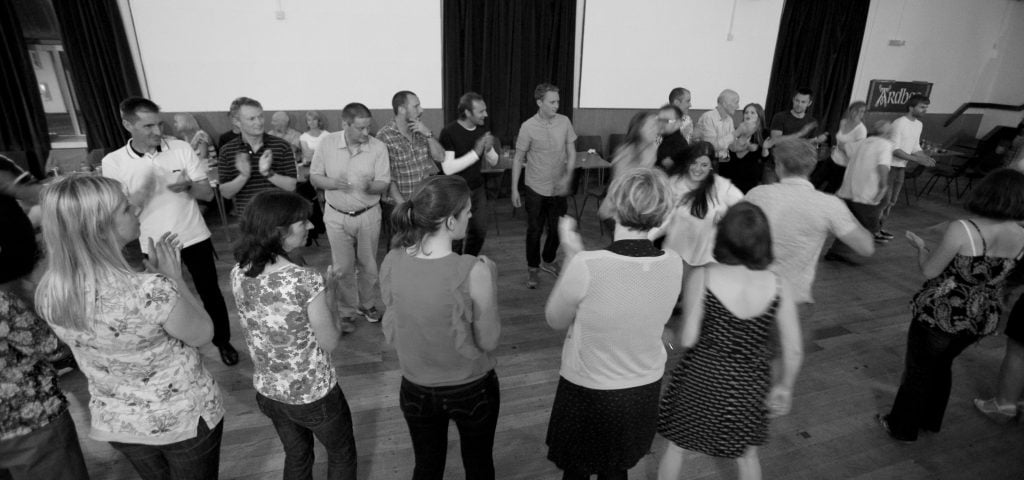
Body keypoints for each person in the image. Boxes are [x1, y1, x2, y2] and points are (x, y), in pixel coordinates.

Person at [35, 175, 225, 479]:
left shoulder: (51, 291)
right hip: (183, 419)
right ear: (100, 228)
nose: (135, 210)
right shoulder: (148, 290)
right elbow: (204, 333)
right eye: (125, 208)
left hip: (119, 421)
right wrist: (175, 278)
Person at [545, 168, 683, 480]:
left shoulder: (588, 264)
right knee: (616, 468)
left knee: (577, 471)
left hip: (590, 389)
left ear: (615, 205)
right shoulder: (674, 263)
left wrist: (571, 255)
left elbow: (555, 319)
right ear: (661, 213)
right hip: (642, 390)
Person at [657, 202, 802, 480]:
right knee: (747, 457)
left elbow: (688, 338)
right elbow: (793, 350)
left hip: (702, 377)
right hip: (749, 382)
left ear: (723, 237)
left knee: (676, 447)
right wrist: (785, 386)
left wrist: (668, 337)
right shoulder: (779, 284)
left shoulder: (704, 276)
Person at [879, 169, 1024, 441]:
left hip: (941, 313)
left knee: (918, 371)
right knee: (943, 365)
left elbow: (930, 271)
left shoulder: (964, 228)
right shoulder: (1021, 235)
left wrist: (921, 249)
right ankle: (930, 420)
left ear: (987, 192)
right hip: (981, 317)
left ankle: (901, 427)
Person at [380, 175, 501, 479]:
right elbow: (488, 340)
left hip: (415, 388)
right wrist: (492, 282)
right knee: (479, 465)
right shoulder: (473, 270)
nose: (470, 216)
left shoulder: (392, 260)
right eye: (467, 211)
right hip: (471, 388)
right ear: (450, 221)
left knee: (427, 466)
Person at [103, 96, 240, 366]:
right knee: (163, 298)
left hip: (193, 235)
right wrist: (143, 192)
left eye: (159, 124)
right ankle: (178, 348)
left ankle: (223, 341)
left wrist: (188, 186)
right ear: (128, 125)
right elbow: (118, 212)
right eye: (148, 126)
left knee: (210, 292)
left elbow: (207, 195)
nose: (157, 131)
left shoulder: (180, 148)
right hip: (153, 245)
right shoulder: (114, 162)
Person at [231, 190, 357, 479]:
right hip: (313, 395)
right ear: (279, 232)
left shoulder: (239, 271)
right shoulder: (304, 280)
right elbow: (330, 341)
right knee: (341, 453)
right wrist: (331, 293)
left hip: (269, 392)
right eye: (303, 222)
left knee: (297, 455)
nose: (311, 226)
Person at [0, 163, 89, 480]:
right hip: (29, 426)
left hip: (21, 273)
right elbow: (49, 345)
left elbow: (39, 194)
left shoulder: (2, 164)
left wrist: (15, 189)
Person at [745, 139, 874, 321]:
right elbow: (866, 247)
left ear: (779, 165)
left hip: (753, 295)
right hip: (794, 300)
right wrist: (847, 210)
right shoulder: (828, 205)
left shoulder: (756, 194)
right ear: (812, 166)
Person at [309, 102, 391, 327]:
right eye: (360, 128)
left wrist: (370, 187)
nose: (366, 133)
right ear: (345, 124)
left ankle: (367, 304)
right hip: (336, 215)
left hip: (368, 214)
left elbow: (384, 182)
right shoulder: (327, 143)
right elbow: (314, 176)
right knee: (342, 267)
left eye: (368, 127)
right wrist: (333, 183)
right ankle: (346, 311)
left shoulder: (378, 147)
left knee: (368, 265)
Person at [511, 83, 578, 289]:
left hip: (558, 187)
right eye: (552, 102)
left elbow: (572, 151)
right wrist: (514, 189)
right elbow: (518, 158)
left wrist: (568, 177)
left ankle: (548, 259)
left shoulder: (564, 122)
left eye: (558, 101)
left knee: (557, 230)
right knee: (534, 230)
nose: (556, 105)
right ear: (539, 102)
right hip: (535, 187)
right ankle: (533, 268)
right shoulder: (527, 127)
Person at [653, 141, 743, 269]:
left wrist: (726, 216)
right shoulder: (673, 184)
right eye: (694, 162)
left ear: (711, 166)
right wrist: (645, 239)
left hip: (706, 263)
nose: (697, 168)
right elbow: (662, 221)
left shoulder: (720, 186)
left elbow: (744, 209)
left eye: (704, 165)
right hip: (675, 258)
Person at [438, 92, 499, 256]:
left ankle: (468, 261)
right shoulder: (449, 132)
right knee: (455, 236)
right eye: (481, 111)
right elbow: (448, 169)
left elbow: (494, 161)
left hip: (477, 189)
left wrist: (489, 150)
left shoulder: (482, 129)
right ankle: (455, 265)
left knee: (480, 231)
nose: (486, 115)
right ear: (467, 112)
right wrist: (476, 152)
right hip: (456, 192)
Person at [218, 96, 298, 215]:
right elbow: (226, 193)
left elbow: (291, 186)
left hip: (281, 217)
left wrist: (268, 173)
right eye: (252, 119)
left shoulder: (281, 146)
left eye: (260, 116)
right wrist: (243, 176)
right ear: (237, 122)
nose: (259, 122)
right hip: (248, 218)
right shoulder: (227, 150)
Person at [879, 94, 936, 239]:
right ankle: (873, 229)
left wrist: (925, 157)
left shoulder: (919, 124)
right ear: (911, 107)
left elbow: (915, 147)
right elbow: (895, 150)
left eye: (926, 107)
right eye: (922, 107)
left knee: (892, 201)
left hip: (901, 168)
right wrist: (917, 160)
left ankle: (880, 228)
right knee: (884, 200)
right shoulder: (899, 123)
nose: (925, 110)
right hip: (889, 167)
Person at [378, 90, 445, 206]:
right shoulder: (385, 136)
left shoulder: (421, 131)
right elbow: (388, 178)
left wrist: (428, 134)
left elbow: (441, 157)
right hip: (398, 207)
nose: (421, 110)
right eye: (416, 106)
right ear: (401, 109)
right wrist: (404, 207)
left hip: (424, 203)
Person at [834, 120, 893, 243]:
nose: (891, 133)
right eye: (890, 131)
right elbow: (883, 166)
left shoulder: (864, 142)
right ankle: (873, 231)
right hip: (866, 190)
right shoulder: (885, 145)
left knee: (858, 214)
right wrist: (883, 187)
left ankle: (874, 229)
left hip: (850, 188)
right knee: (880, 204)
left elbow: (842, 146)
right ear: (886, 133)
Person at [817, 101, 868, 193]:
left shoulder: (861, 130)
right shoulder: (843, 122)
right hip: (832, 159)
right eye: (856, 110)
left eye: (862, 111)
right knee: (815, 182)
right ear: (850, 110)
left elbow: (857, 153)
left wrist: (844, 148)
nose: (858, 113)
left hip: (843, 166)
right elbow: (838, 138)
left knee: (829, 192)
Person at [694, 89, 738, 178]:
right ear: (725, 103)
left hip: (724, 162)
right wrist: (737, 133)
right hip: (709, 164)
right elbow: (711, 147)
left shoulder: (729, 120)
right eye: (736, 102)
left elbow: (733, 146)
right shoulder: (708, 117)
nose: (738, 106)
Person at [728, 103, 770, 192]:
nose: (748, 115)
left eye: (752, 113)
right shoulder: (738, 131)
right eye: (746, 112)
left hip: (751, 176)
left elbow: (765, 158)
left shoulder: (764, 133)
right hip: (733, 173)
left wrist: (765, 148)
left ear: (759, 116)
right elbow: (730, 151)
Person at [656, 104, 688, 171]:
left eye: (666, 121)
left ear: (678, 123)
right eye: (659, 120)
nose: (661, 124)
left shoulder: (678, 146)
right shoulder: (666, 141)